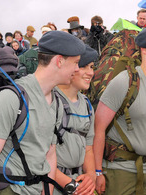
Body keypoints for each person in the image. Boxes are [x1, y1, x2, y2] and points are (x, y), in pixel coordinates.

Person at [0, 30, 86, 195]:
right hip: (11, 189)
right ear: (59, 61)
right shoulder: (11, 98)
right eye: (76, 62)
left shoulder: (56, 101)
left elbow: (50, 153)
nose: (78, 69)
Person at [93, 27, 146, 195]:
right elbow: (98, 129)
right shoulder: (124, 82)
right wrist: (97, 172)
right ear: (144, 50)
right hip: (121, 172)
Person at [53, 46, 98, 195]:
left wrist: (90, 176)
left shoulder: (86, 104)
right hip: (52, 183)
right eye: (83, 66)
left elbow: (89, 147)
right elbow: (41, 156)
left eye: (91, 67)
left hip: (78, 181)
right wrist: (72, 186)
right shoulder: (50, 101)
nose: (90, 73)